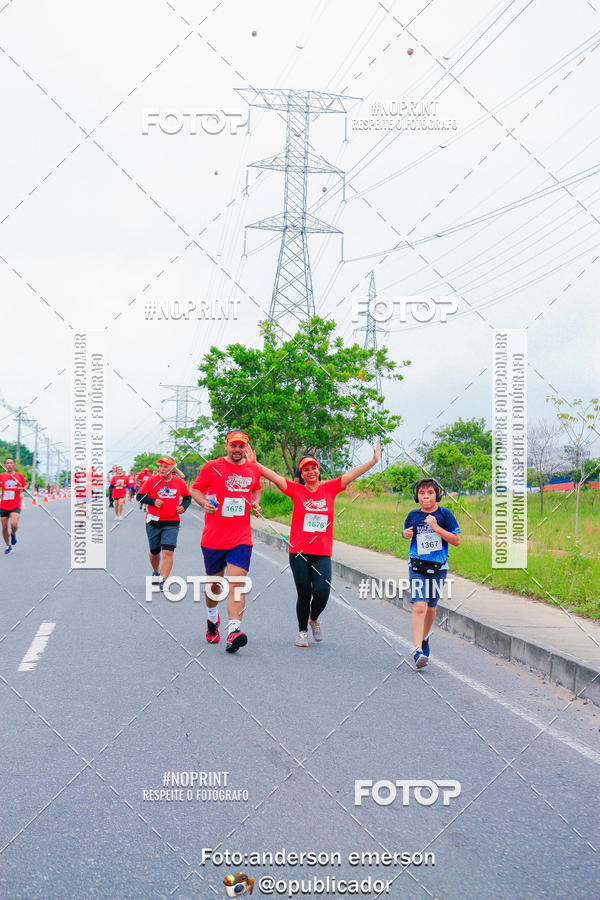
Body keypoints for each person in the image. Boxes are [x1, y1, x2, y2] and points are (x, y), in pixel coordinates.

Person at [249, 443, 381, 647]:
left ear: (318, 470)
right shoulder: (296, 490)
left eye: (314, 468)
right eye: (306, 470)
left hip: (322, 552)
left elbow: (352, 474)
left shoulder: (330, 488)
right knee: (304, 593)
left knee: (322, 592)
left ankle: (314, 618)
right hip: (299, 551)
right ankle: (302, 631)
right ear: (301, 474)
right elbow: (275, 477)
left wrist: (373, 461)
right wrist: (255, 464)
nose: (311, 472)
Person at [190, 431, 261, 653]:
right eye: (234, 445)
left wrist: (255, 503)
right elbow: (195, 489)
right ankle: (212, 619)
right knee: (214, 586)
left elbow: (256, 489)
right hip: (213, 537)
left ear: (246, 448)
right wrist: (203, 502)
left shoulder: (252, 469)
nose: (237, 449)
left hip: (241, 537)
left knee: (237, 582)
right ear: (226, 446)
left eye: (241, 446)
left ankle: (233, 631)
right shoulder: (212, 466)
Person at [402, 477, 460, 669]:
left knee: (431, 608)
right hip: (417, 566)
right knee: (420, 606)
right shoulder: (413, 515)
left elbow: (456, 540)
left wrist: (436, 527)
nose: (426, 496)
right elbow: (407, 532)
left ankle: (425, 638)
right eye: (422, 493)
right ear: (416, 497)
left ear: (437, 495)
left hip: (438, 568)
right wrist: (405, 534)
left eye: (430, 493)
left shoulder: (445, 514)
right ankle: (418, 651)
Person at [136, 457, 191, 585]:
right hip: (153, 522)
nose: (161, 469)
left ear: (172, 469)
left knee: (168, 551)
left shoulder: (179, 482)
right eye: (160, 466)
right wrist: (153, 501)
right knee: (154, 551)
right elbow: (139, 496)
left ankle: (163, 579)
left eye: (165, 467)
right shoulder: (152, 480)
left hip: (172, 522)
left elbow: (187, 497)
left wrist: (183, 507)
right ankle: (156, 571)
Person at [0, 458, 27, 554]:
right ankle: (8, 546)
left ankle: (13, 533)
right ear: (5, 465)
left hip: (15, 505)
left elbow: (25, 485)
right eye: (7, 463)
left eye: (11, 463)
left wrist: (22, 488)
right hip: (3, 505)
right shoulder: (1, 476)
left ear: (14, 465)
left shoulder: (19, 476)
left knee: (14, 524)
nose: (9, 465)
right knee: (4, 527)